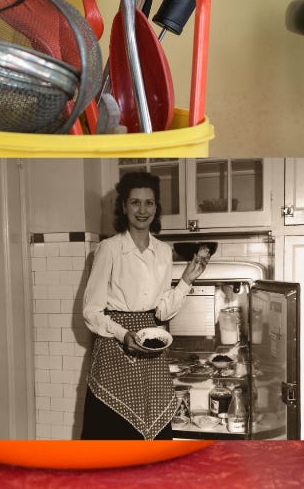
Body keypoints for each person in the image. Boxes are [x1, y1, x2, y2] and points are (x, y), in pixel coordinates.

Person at [81, 170, 208, 440]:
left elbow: (162, 310)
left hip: (151, 346)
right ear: (124, 207)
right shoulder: (109, 249)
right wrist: (122, 334)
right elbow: (91, 311)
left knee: (154, 431)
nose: (142, 209)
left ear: (156, 207)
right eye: (135, 202)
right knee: (114, 434)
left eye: (149, 202)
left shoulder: (163, 251)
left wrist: (186, 279)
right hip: (114, 345)